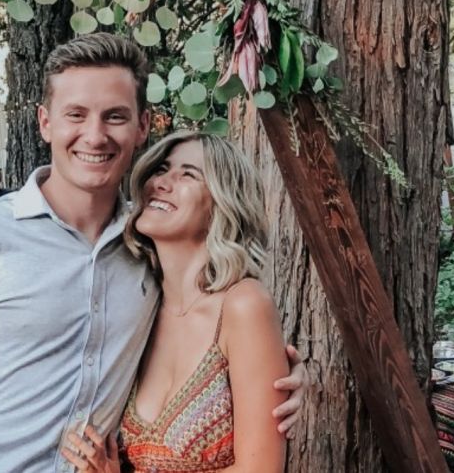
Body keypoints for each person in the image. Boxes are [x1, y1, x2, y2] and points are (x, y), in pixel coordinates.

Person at [0, 33, 307, 472]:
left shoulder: (147, 252)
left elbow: (213, 333)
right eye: (76, 115)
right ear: (46, 122)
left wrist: (283, 375)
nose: (95, 135)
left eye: (115, 116)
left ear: (143, 126)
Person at [56, 131, 289, 471]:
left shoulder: (242, 305)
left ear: (224, 202)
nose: (162, 182)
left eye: (188, 174)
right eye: (162, 169)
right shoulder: (139, 307)